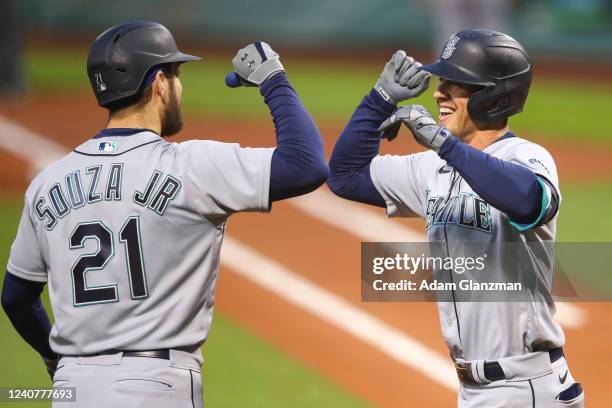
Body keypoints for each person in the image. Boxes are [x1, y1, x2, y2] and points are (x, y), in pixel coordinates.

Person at [2, 21, 328, 407]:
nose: (180, 86)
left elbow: (17, 296)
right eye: (176, 75)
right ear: (158, 83)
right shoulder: (190, 166)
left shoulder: (47, 182)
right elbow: (307, 165)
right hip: (154, 387)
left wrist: (53, 357)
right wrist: (273, 80)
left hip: (72, 390)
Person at [327, 29, 584, 407]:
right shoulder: (431, 169)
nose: (438, 93)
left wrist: (445, 145)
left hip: (527, 388)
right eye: (442, 80)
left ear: (492, 96)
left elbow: (529, 200)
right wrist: (378, 100)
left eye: (456, 84)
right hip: (474, 391)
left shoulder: (527, 157)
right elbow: (345, 176)